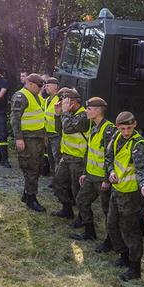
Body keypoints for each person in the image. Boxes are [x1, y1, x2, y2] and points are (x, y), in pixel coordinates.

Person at [105, 111, 144, 281]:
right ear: (117, 127)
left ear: (135, 125)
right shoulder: (116, 137)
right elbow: (109, 158)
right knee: (111, 224)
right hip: (117, 191)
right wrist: (110, 173)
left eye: (129, 128)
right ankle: (123, 256)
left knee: (131, 231)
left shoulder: (138, 144)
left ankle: (134, 268)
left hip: (131, 195)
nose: (126, 132)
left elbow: (141, 168)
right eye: (123, 128)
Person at [71, 97, 115, 241]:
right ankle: (89, 233)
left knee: (107, 211)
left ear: (97, 111)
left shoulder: (108, 130)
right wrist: (85, 173)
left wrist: (107, 180)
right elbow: (90, 152)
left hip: (102, 179)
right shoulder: (94, 126)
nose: (86, 111)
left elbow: (111, 157)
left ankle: (110, 241)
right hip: (91, 176)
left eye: (89, 109)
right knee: (81, 201)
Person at [10, 73, 47, 212]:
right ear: (30, 83)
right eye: (39, 86)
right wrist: (19, 138)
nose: (40, 89)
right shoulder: (21, 96)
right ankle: (31, 199)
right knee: (32, 169)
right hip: (27, 138)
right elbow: (15, 119)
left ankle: (26, 194)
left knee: (37, 167)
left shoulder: (36, 96)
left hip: (37, 137)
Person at [52, 88, 89, 223]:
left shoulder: (83, 116)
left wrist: (65, 112)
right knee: (58, 183)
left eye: (65, 101)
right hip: (66, 156)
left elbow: (67, 129)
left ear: (72, 102)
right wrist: (57, 114)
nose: (62, 104)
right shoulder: (69, 114)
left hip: (78, 159)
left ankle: (82, 217)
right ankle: (67, 209)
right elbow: (60, 130)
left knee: (77, 190)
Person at [43, 77, 61, 175]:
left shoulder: (60, 100)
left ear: (56, 87)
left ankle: (58, 180)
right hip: (48, 133)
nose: (46, 87)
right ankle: (54, 178)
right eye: (45, 85)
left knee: (57, 158)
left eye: (48, 85)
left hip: (56, 134)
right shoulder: (46, 100)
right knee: (50, 158)